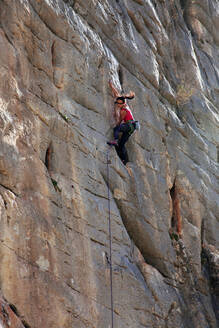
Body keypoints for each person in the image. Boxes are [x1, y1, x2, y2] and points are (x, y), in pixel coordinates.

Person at [107, 80, 138, 170]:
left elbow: (120, 120)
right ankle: (125, 160)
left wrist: (117, 124)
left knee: (116, 129)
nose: (117, 104)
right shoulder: (122, 102)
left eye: (118, 103)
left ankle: (115, 140)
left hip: (129, 125)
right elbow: (116, 93)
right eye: (117, 103)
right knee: (122, 144)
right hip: (131, 128)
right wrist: (111, 85)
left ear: (122, 103)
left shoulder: (124, 109)